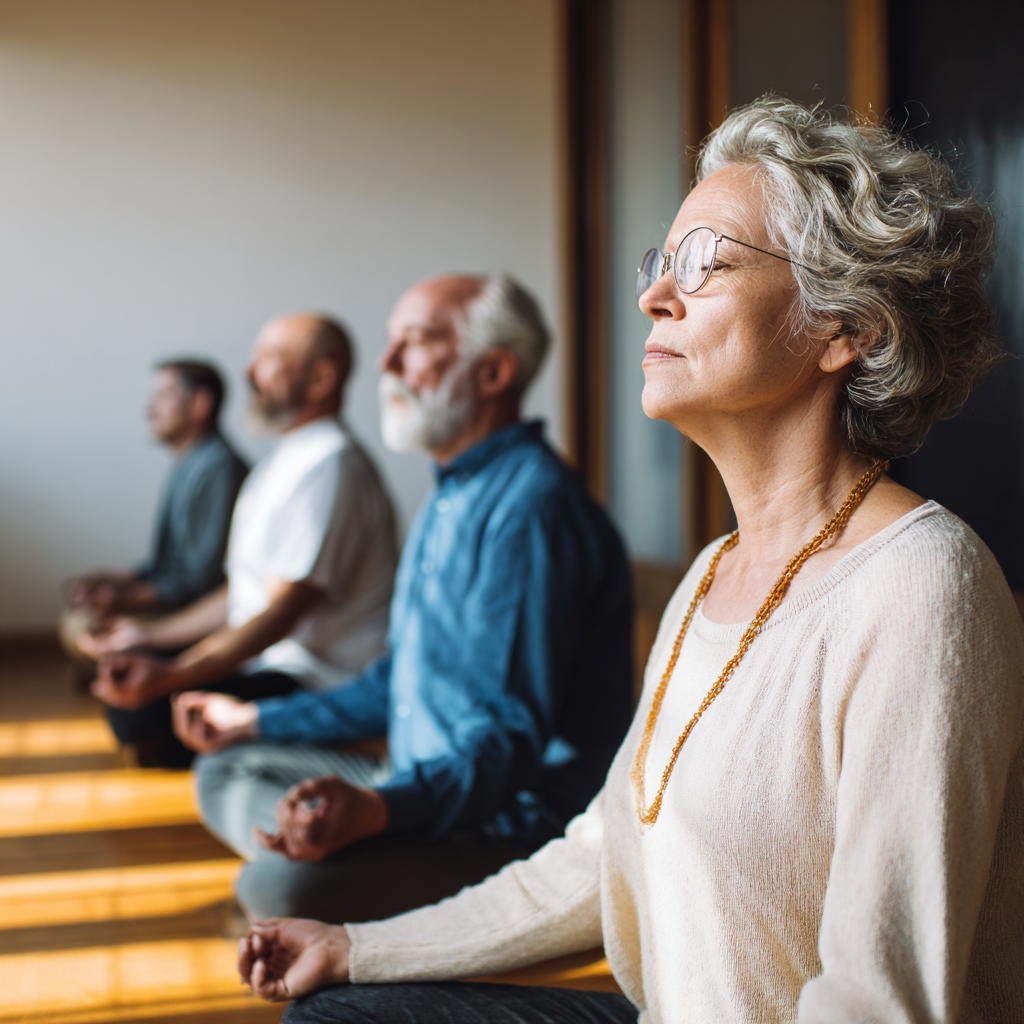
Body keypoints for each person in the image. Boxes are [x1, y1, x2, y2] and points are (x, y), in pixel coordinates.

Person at [236, 100, 1024, 1024]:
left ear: (845, 328)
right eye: (661, 263)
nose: (655, 295)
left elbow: (875, 1004)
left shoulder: (923, 585)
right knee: (335, 1011)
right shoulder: (709, 577)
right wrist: (356, 946)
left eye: (708, 264)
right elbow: (598, 853)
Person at [172, 274, 634, 925]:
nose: (386, 364)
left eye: (413, 343)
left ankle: (321, 857)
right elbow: (396, 681)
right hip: (418, 779)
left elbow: (505, 743)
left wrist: (381, 812)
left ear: (494, 371)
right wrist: (249, 723)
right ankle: (318, 844)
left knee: (277, 892)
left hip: (502, 825)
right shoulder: (449, 494)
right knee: (225, 765)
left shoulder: (531, 510)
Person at [87, 314, 398, 768]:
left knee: (141, 713)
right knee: (128, 675)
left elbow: (280, 613)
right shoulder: (284, 461)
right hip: (261, 658)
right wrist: (149, 635)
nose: (248, 374)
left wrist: (174, 671)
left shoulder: (331, 467)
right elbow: (244, 594)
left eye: (268, 361)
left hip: (314, 679)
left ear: (321, 378)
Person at [61, 360, 248, 664]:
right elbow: (171, 564)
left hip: (202, 614)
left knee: (82, 627)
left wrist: (127, 598)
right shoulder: (189, 462)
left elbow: (203, 581)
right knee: (81, 620)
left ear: (200, 403)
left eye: (162, 396)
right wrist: (116, 581)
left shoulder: (218, 469)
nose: (149, 408)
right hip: (183, 601)